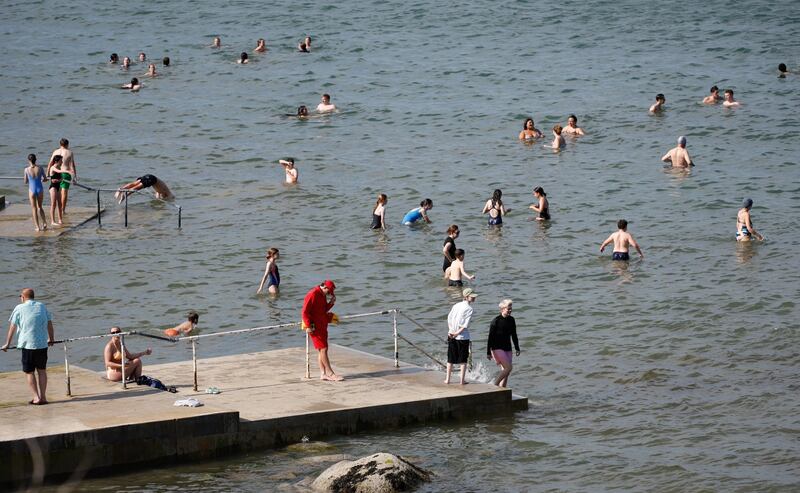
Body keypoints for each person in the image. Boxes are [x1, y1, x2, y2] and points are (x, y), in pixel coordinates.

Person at [2, 288, 55, 405]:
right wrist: (51, 339)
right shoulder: (42, 306)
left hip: (27, 345)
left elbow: (12, 327)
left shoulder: (19, 308)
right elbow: (49, 323)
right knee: (42, 371)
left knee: (29, 372)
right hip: (42, 345)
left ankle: (36, 397)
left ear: (23, 297)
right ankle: (44, 397)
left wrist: (7, 344)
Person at [301, 280, 342, 381]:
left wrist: (331, 303)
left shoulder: (322, 294)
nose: (329, 294)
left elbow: (322, 310)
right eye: (329, 292)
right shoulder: (312, 294)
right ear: (325, 288)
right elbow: (304, 312)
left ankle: (323, 374)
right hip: (314, 327)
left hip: (322, 325)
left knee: (322, 350)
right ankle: (330, 373)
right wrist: (308, 326)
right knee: (323, 349)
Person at [445, 288, 476, 385]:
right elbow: (464, 325)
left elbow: (449, 318)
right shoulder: (469, 309)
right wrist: (457, 333)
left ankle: (447, 379)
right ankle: (462, 381)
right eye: (472, 296)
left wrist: (451, 331)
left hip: (451, 334)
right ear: (466, 297)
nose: (474, 298)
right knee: (463, 359)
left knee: (450, 358)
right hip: (462, 337)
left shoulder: (456, 305)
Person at [487, 299, 520, 388]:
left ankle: (502, 390)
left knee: (506, 372)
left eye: (511, 308)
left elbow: (514, 334)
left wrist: (517, 347)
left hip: (507, 348)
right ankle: (495, 385)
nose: (510, 310)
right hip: (497, 348)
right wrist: (488, 352)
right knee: (509, 368)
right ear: (502, 309)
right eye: (508, 308)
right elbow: (490, 337)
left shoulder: (512, 320)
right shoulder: (496, 321)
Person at [48, 138, 78, 217]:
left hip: (55, 173)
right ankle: (62, 210)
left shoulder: (55, 151)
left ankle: (57, 211)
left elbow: (50, 163)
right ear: (67, 145)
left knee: (57, 191)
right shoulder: (69, 152)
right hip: (65, 173)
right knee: (64, 192)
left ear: (60, 144)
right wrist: (74, 177)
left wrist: (47, 174)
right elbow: (72, 166)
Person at [23, 154, 47, 232]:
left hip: (32, 190)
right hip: (40, 189)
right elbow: (45, 179)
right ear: (36, 159)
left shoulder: (26, 169)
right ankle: (44, 222)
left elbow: (25, 181)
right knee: (40, 207)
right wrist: (43, 180)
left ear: (28, 160)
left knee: (34, 208)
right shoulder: (40, 168)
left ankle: (37, 227)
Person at [46, 155, 63, 225]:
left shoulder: (59, 167)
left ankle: (60, 219)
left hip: (58, 186)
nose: (62, 162)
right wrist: (67, 170)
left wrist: (60, 180)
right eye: (61, 160)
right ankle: (53, 221)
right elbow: (53, 180)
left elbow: (60, 178)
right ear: (57, 161)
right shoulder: (53, 167)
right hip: (53, 187)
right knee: (53, 204)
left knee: (60, 203)